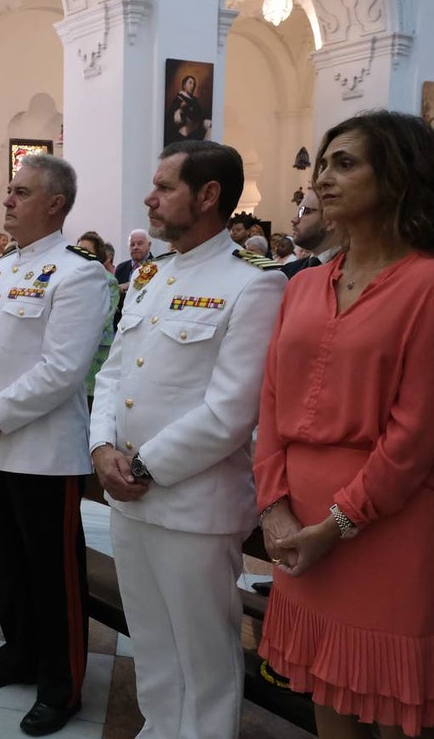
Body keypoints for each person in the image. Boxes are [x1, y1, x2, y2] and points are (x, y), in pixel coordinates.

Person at [90, 139, 286, 739]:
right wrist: (101, 448)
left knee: (203, 656)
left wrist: (141, 467)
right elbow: (114, 371)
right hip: (129, 496)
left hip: (193, 503)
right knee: (151, 642)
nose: (149, 198)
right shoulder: (151, 276)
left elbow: (231, 410)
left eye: (165, 187)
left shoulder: (253, 284)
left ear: (208, 196)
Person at [255, 111, 434, 739]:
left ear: (399, 176)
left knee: (396, 709)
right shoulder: (303, 285)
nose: (323, 179)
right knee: (326, 698)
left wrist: (338, 523)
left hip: (386, 526)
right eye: (323, 164)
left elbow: (416, 435)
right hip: (298, 525)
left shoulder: (426, 284)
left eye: (345, 164)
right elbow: (272, 404)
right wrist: (273, 506)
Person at [0, 153, 110, 736]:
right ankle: (17, 652)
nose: (7, 200)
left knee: (54, 574)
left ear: (55, 204)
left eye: (21, 192)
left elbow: (65, 369)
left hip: (44, 451)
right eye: (9, 190)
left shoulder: (80, 273)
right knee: (9, 562)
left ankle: (60, 681)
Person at [75, 231, 119, 400]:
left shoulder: (108, 279)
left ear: (97, 254)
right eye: (78, 248)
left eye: (85, 249)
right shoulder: (73, 278)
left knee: (93, 396)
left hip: (98, 346)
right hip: (77, 344)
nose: (80, 252)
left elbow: (107, 314)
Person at [280, 189, 342, 279]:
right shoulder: (290, 271)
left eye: (304, 211)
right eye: (298, 212)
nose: (294, 220)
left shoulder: (349, 276)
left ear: (330, 221)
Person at [168, 74, 210, 144]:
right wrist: (181, 111)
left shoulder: (194, 100)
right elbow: (172, 120)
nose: (192, 86)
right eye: (190, 83)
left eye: (194, 84)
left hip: (197, 130)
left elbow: (200, 115)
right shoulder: (178, 99)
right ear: (184, 85)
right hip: (185, 135)